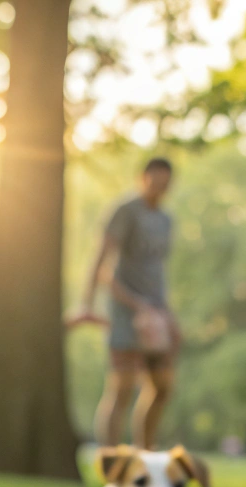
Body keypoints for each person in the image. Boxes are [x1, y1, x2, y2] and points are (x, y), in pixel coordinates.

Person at [73, 156, 181, 449]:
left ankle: (145, 454)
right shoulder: (125, 211)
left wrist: (166, 313)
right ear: (142, 179)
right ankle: (110, 460)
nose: (159, 188)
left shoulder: (166, 219)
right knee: (121, 389)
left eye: (165, 184)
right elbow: (102, 261)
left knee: (162, 386)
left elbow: (158, 271)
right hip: (125, 312)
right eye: (155, 181)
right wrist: (87, 303)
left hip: (157, 313)